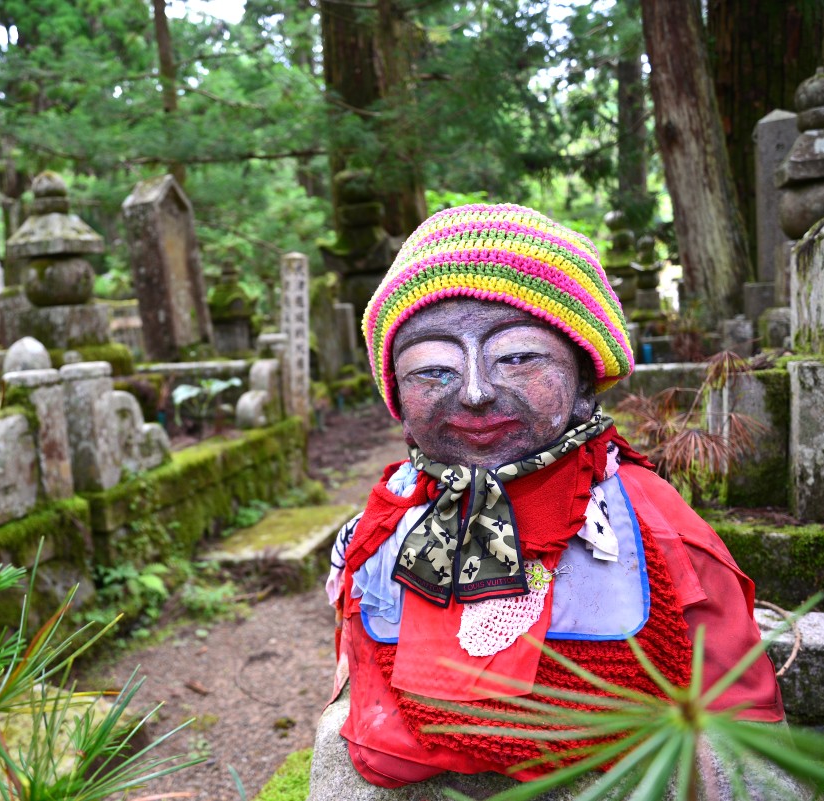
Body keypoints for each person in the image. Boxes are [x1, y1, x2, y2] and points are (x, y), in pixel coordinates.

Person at [324, 203, 783, 788]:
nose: (474, 392)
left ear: (585, 378)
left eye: (517, 358)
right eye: (432, 369)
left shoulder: (646, 523)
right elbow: (358, 693)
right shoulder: (388, 523)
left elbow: (742, 727)